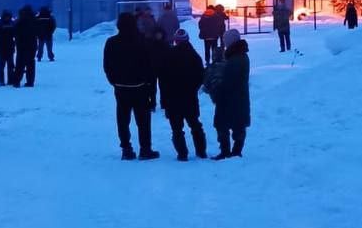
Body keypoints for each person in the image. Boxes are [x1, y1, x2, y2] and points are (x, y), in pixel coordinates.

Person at [103, 11, 159, 160]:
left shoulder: (111, 42)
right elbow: (150, 68)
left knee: (122, 119)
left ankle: (126, 149)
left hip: (121, 88)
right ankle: (145, 149)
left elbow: (107, 66)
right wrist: (152, 91)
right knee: (143, 121)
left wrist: (114, 81)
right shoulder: (143, 41)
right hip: (140, 87)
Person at [160, 29, 207, 161]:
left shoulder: (168, 56)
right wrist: (192, 88)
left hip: (172, 99)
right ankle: (201, 151)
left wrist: (164, 101)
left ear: (175, 41)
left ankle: (182, 154)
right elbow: (200, 76)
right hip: (189, 98)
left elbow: (162, 80)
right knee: (195, 125)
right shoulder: (194, 56)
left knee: (176, 128)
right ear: (187, 40)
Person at [212, 37, 251, 159]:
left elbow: (229, 80)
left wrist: (218, 90)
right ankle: (235, 150)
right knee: (238, 123)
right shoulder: (239, 55)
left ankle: (228, 151)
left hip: (231, 97)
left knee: (224, 123)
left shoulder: (236, 59)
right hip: (238, 97)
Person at [13, 5, 38, 87]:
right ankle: (30, 81)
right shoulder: (34, 20)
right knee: (30, 63)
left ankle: (16, 81)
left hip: (21, 45)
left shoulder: (20, 21)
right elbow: (38, 30)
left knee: (20, 64)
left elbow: (15, 31)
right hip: (32, 45)